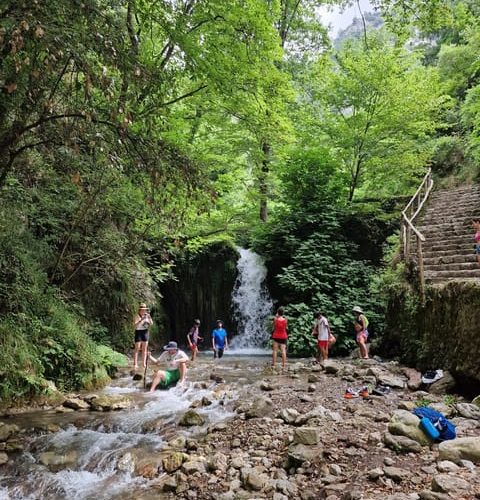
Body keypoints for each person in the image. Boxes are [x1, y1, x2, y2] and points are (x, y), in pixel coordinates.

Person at [133, 303, 153, 370]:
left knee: (144, 349)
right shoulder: (137, 316)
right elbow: (135, 326)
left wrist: (149, 318)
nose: (143, 311)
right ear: (139, 310)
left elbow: (151, 324)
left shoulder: (147, 315)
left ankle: (143, 364)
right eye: (142, 310)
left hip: (145, 332)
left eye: (144, 310)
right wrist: (141, 320)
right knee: (137, 348)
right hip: (138, 332)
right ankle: (135, 364)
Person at [271, 307, 288, 372]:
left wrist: (276, 317)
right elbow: (286, 327)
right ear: (283, 313)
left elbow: (274, 326)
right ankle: (283, 365)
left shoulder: (275, 319)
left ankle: (274, 364)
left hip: (276, 336)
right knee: (283, 351)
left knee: (275, 351)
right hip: (283, 336)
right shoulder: (285, 320)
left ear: (277, 313)